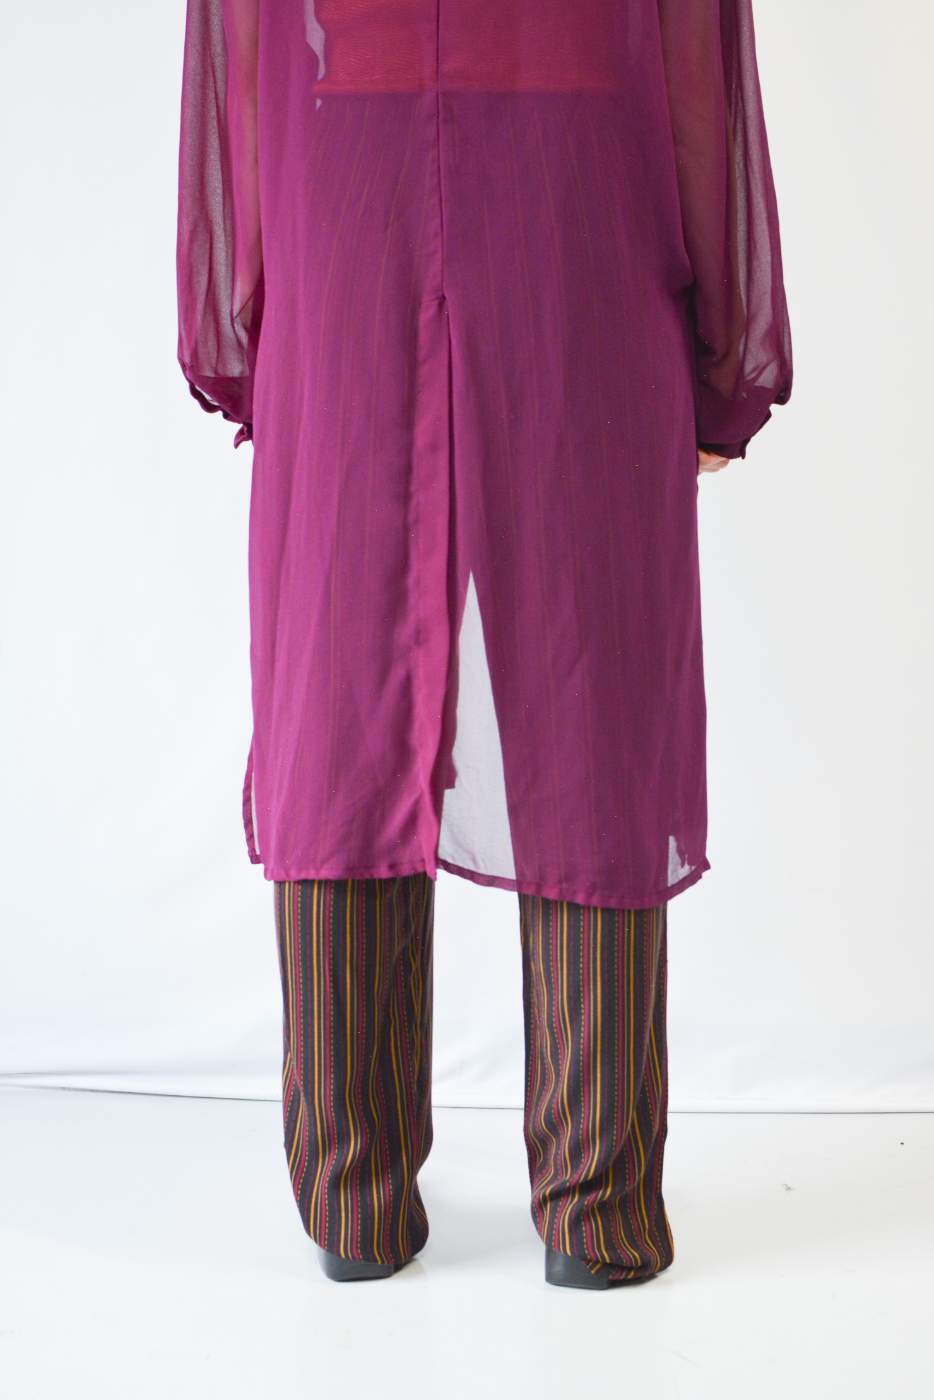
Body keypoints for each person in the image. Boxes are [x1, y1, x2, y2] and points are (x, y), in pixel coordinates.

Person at [176, 0, 792, 1288]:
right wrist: (727, 360)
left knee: (339, 691)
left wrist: (248, 336)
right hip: (579, 213)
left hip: (344, 207)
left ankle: (352, 1197)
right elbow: (701, 79)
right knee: (590, 689)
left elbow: (239, 64)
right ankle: (597, 1206)